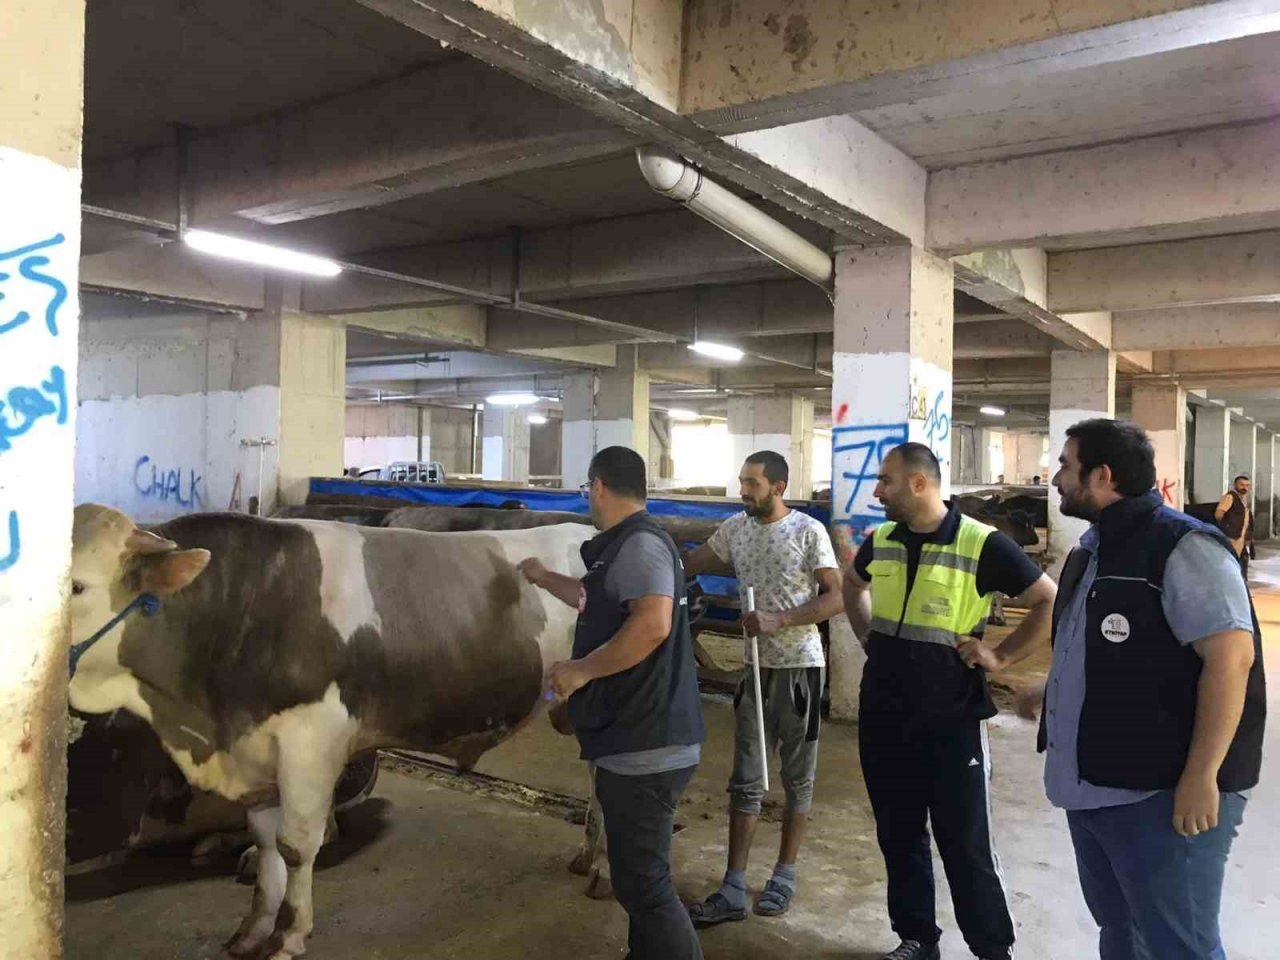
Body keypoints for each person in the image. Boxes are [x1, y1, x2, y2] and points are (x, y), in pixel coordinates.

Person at [1032, 419, 1265, 960]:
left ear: (1102, 476)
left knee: (1179, 945)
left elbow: (1231, 660)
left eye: (1065, 465)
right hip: (1095, 785)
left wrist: (1202, 777)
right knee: (1121, 932)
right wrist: (1057, 692)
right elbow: (1109, 649)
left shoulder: (1182, 547)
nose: (1056, 478)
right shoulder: (1093, 550)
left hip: (1161, 794)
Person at [842, 443, 1057, 960]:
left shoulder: (981, 543)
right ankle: (917, 939)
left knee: (965, 842)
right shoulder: (883, 540)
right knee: (898, 834)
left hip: (951, 720)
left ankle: (991, 949)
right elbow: (852, 584)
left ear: (919, 483)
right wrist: (868, 634)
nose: (877, 491)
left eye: (886, 481)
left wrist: (1001, 656)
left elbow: (1049, 599)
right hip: (884, 715)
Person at [518, 446, 706, 960]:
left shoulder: (640, 545)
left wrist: (580, 670)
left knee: (644, 885)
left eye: (587, 489)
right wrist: (542, 576)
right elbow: (593, 599)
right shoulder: (624, 547)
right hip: (636, 736)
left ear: (599, 486)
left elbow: (652, 624)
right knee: (636, 878)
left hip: (647, 741)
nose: (588, 498)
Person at [683, 451, 843, 926]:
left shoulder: (808, 532)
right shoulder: (735, 528)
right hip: (754, 670)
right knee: (746, 779)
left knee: (797, 778)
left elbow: (837, 596)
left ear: (778, 487)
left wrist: (779, 620)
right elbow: (690, 563)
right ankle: (733, 886)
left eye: (752, 483)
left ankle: (784, 874)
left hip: (799, 669)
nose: (743, 491)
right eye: (742, 481)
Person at [1215, 474, 1255, 579]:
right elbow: (1218, 515)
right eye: (1242, 485)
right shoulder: (1230, 497)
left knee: (1241, 562)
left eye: (1247, 485)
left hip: (1241, 538)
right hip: (1232, 537)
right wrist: (1228, 528)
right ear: (1235, 485)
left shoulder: (1243, 500)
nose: (1244, 488)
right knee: (1229, 562)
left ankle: (1241, 585)